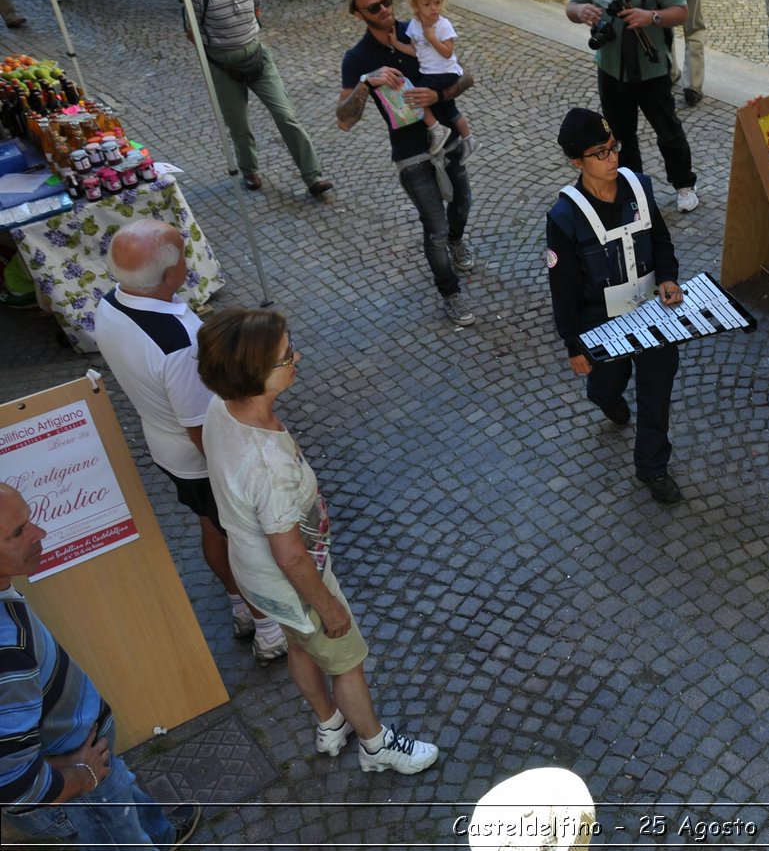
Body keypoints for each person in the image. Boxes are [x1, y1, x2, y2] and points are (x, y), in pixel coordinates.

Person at [197, 309, 439, 775]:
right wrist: (328, 607)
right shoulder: (269, 467)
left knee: (299, 643)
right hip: (294, 580)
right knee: (344, 658)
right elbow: (289, 554)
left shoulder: (220, 406)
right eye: (287, 356)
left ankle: (330, 723)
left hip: (253, 574)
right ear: (254, 376)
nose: (297, 357)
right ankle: (375, 745)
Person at [93, 220, 288, 666]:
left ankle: (239, 605)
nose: (189, 257)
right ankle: (268, 627)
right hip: (200, 456)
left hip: (164, 447)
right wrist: (236, 472)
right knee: (242, 537)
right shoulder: (179, 347)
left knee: (210, 524)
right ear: (167, 275)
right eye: (182, 253)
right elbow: (201, 425)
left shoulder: (111, 303)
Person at [0, 483, 202, 848]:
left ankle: (162, 835)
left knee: (125, 794)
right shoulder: (5, 652)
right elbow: (15, 785)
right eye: (17, 533)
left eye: (29, 519)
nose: (39, 533)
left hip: (87, 751)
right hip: (78, 790)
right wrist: (81, 776)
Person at [547, 108, 687, 506]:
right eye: (600, 153)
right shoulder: (564, 217)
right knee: (609, 383)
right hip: (600, 321)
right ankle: (604, 395)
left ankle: (652, 466)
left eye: (613, 149)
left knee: (656, 391)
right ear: (577, 161)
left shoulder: (639, 187)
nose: (612, 159)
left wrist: (668, 276)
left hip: (651, 310)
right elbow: (564, 287)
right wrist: (573, 344)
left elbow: (659, 239)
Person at [338, 0, 478, 328]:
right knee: (434, 228)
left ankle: (458, 240)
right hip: (410, 152)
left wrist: (439, 97)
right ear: (358, 14)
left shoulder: (417, 29)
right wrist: (366, 82)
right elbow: (344, 120)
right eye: (374, 7)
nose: (385, 9)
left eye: (387, 0)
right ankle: (450, 293)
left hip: (447, 138)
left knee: (463, 203)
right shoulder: (357, 58)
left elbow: (466, 76)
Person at [565, 0, 700, 212]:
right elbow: (571, 5)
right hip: (611, 68)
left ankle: (684, 185)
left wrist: (649, 17)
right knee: (619, 138)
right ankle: (635, 194)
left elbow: (681, 11)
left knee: (667, 131)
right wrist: (581, 10)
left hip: (650, 70)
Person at [187, 0, 333, 195]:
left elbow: (257, 9)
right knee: (239, 124)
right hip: (223, 66)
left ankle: (313, 176)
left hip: (257, 56)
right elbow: (191, 32)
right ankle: (249, 169)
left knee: (286, 116)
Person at [398, 0, 473, 156]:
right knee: (450, 109)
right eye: (427, 4)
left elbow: (448, 52)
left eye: (437, 3)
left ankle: (436, 129)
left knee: (414, 97)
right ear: (416, 7)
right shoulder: (415, 25)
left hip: (445, 72)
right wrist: (395, 42)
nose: (434, 8)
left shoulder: (443, 25)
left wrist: (431, 37)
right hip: (430, 72)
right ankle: (469, 139)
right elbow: (415, 51)